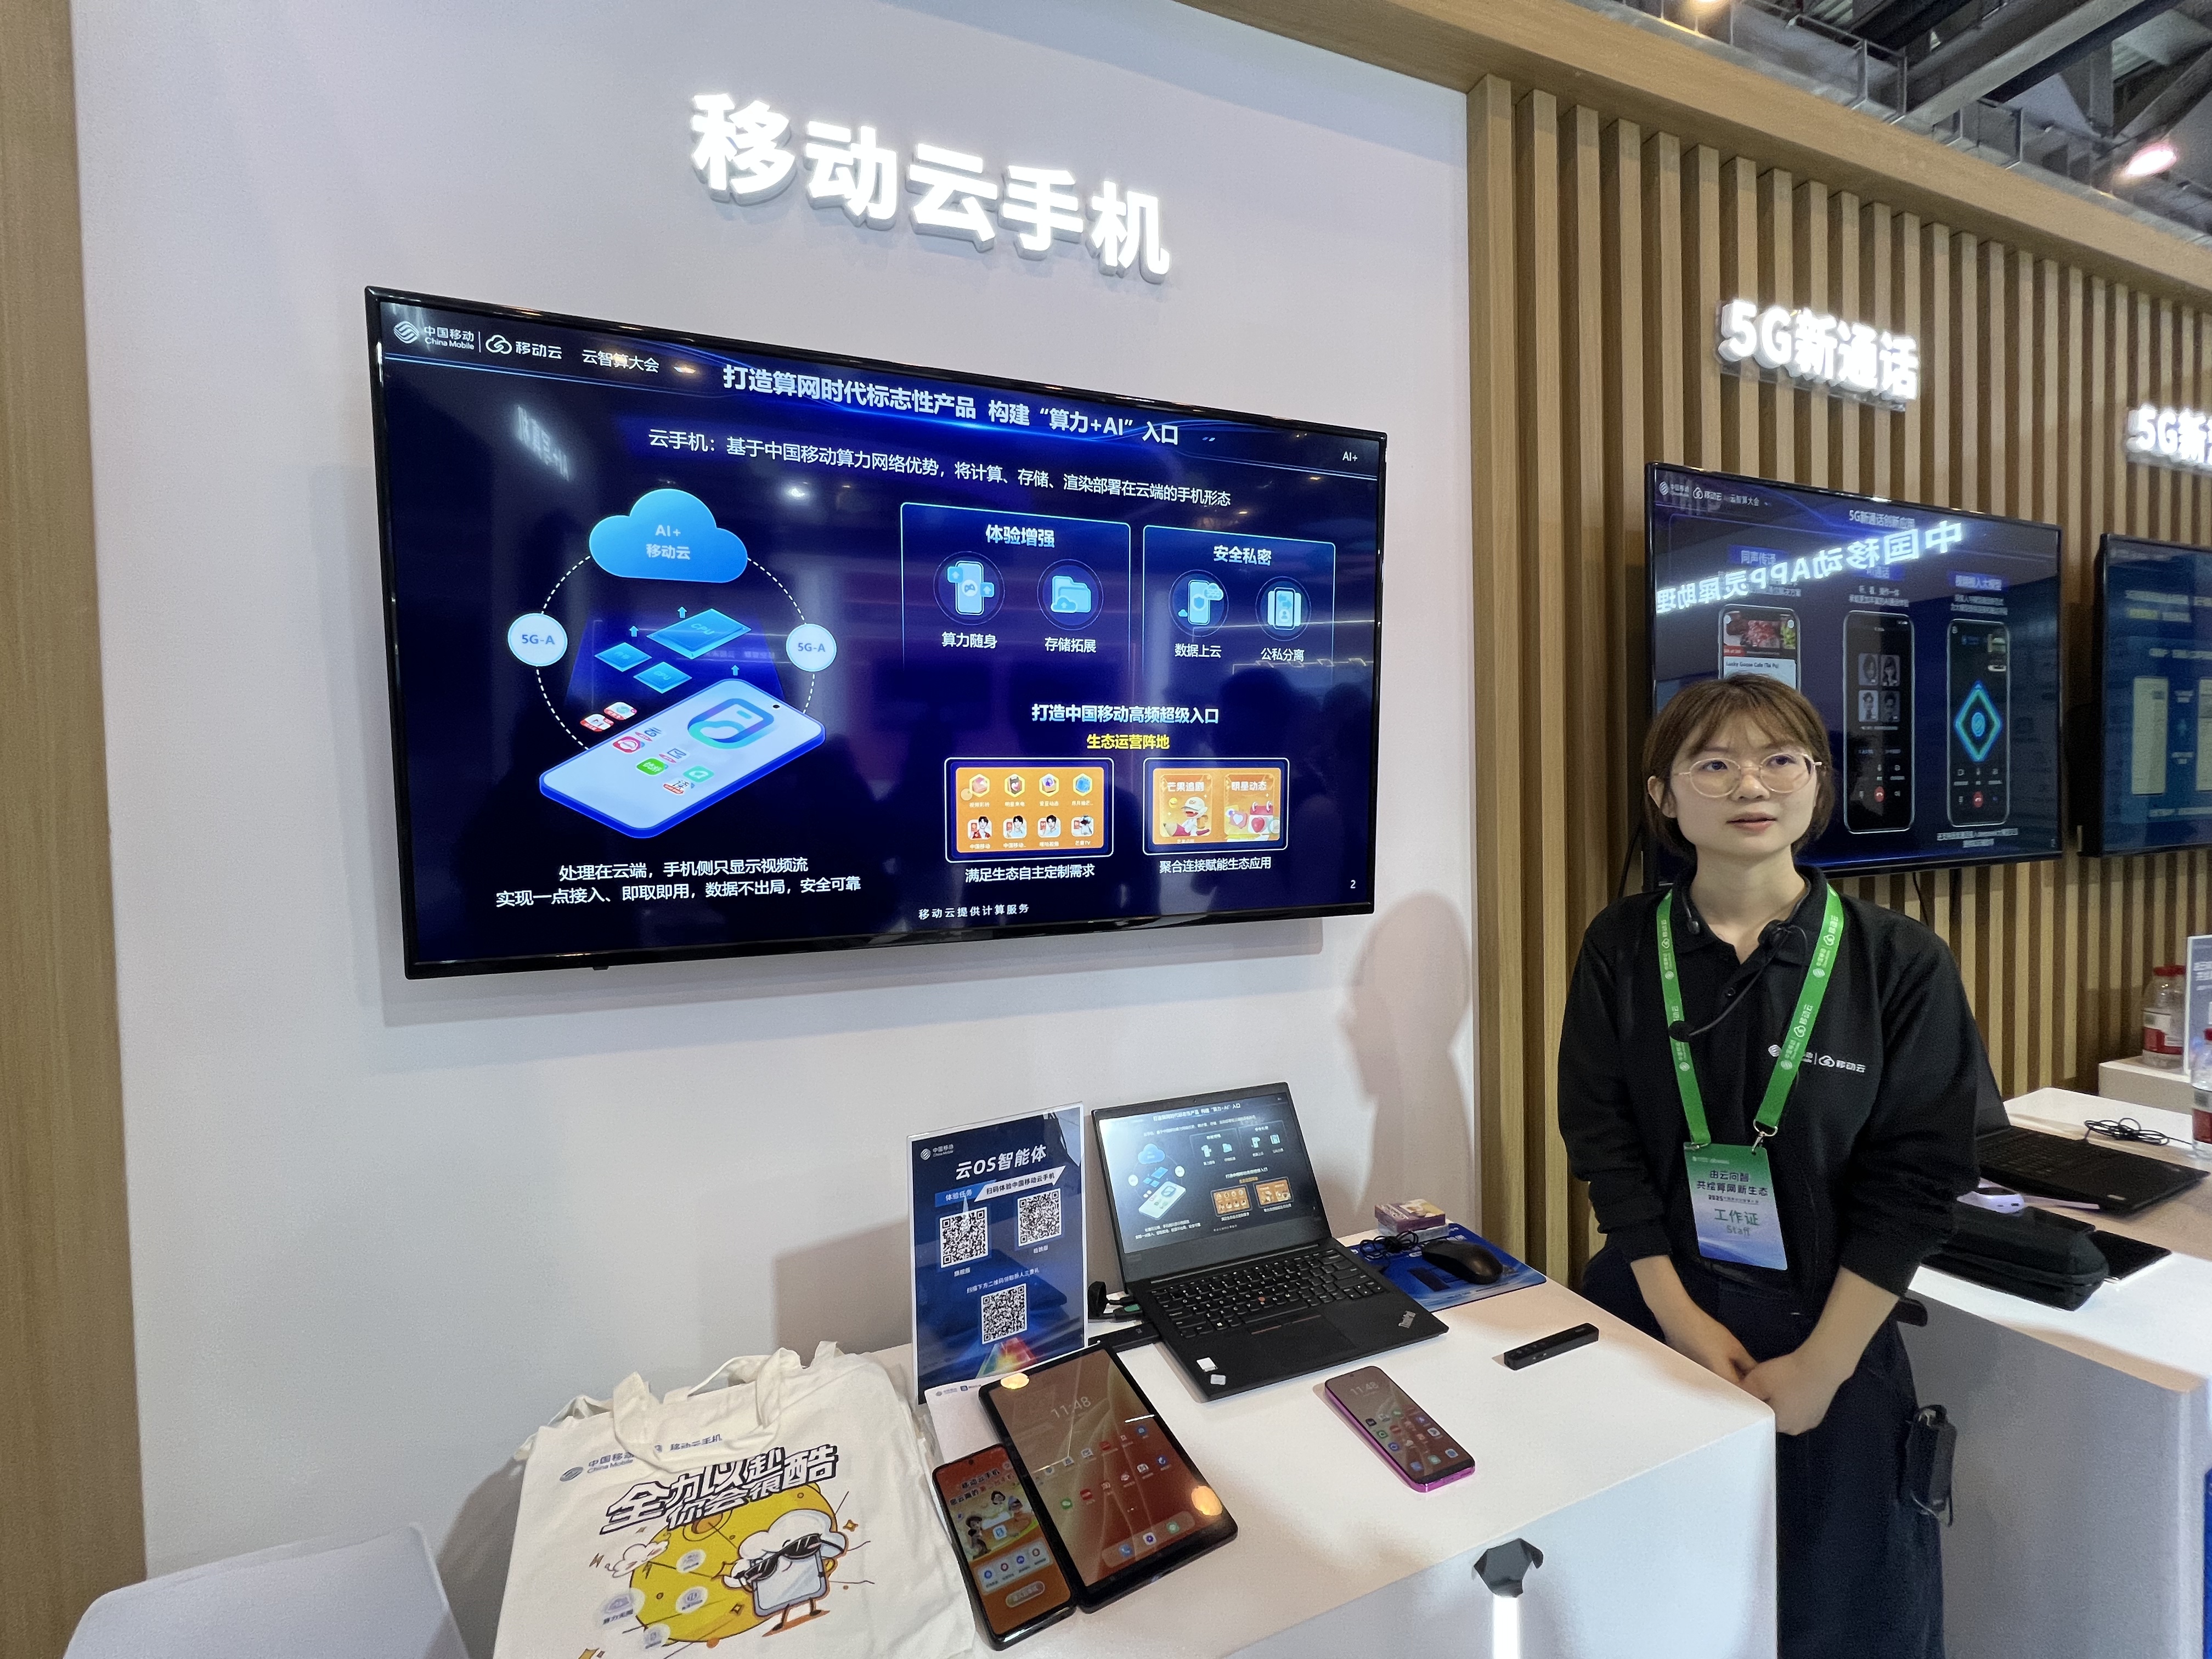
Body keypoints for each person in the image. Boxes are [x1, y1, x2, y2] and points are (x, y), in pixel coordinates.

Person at [1559, 674, 1983, 1658]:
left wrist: (1821, 1370)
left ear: (1817, 782)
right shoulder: (1621, 945)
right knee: (1654, 1603)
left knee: (1842, 1618)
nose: (1750, 784)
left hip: (1831, 1336)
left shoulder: (1897, 960)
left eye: (1780, 759)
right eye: (1713, 763)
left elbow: (1919, 1181)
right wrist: (1682, 1324)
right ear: (1664, 795)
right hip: (1655, 1315)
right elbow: (1603, 1142)